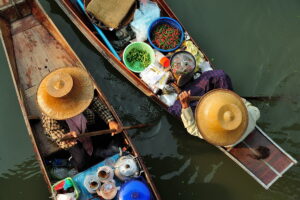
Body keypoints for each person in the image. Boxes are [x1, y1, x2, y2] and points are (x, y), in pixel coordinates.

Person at [37, 67, 122, 171]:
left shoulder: (80, 92)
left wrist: (110, 121)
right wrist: (66, 137)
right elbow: (54, 133)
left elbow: (95, 103)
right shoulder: (49, 114)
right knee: (81, 162)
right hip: (71, 135)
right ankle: (72, 162)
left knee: (109, 135)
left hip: (87, 124)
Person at [178, 89, 260, 147]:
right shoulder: (252, 114)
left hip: (230, 145)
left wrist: (185, 106)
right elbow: (252, 108)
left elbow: (192, 128)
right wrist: (235, 101)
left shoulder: (226, 142)